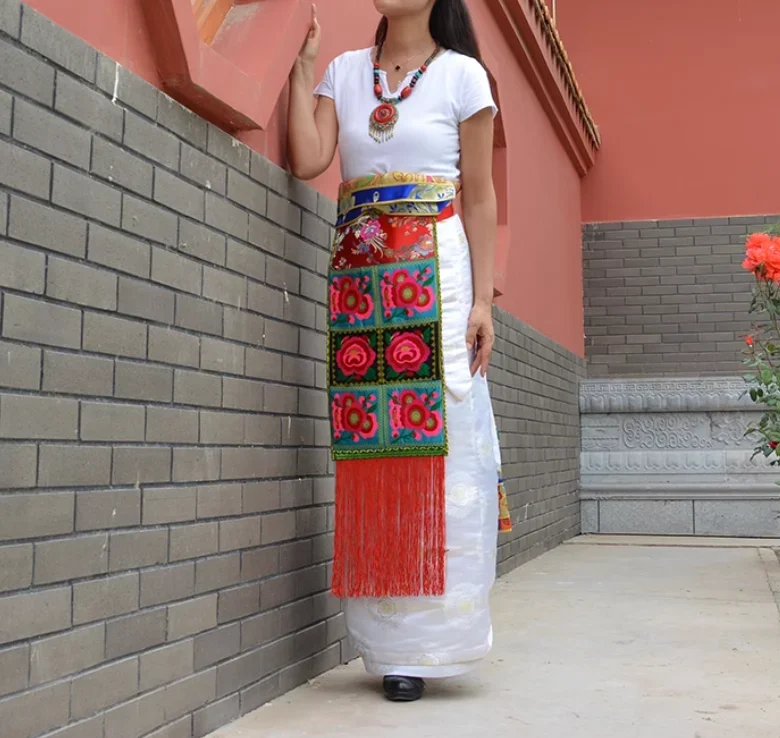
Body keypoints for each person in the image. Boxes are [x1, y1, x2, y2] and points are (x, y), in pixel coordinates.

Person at [288, 0, 512, 703]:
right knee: (375, 452)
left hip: (437, 279)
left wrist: (481, 301)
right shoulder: (346, 74)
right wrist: (300, 75)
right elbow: (309, 157)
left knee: (437, 451)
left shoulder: (463, 77)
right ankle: (387, 646)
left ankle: (433, 642)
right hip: (361, 288)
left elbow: (480, 196)